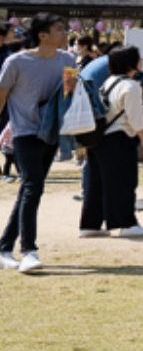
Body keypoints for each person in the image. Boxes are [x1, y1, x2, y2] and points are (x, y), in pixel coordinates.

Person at [0, 16, 71, 272]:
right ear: (42, 35)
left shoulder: (68, 60)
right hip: (24, 132)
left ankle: (4, 247)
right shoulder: (16, 62)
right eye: (59, 29)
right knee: (33, 186)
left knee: (29, 189)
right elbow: (2, 97)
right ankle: (28, 250)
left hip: (51, 132)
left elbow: (69, 94)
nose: (65, 33)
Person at [79, 44, 143, 238]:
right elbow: (134, 118)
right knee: (123, 182)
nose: (142, 61)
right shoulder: (131, 85)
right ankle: (126, 223)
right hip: (119, 138)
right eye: (138, 58)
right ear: (131, 63)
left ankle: (90, 224)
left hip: (99, 138)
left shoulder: (108, 82)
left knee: (96, 182)